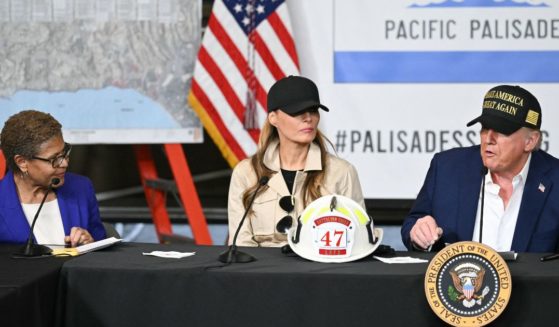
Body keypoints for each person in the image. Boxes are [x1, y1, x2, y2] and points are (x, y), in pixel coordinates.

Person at [401, 85, 559, 253]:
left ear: (530, 141)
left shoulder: (555, 180)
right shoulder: (447, 168)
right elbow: (414, 222)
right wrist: (418, 233)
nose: (488, 139)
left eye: (501, 131)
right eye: (484, 128)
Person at [228, 75, 365, 247]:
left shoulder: (342, 172)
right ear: (273, 118)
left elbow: (358, 238)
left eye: (313, 110)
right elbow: (241, 243)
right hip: (261, 271)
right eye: (297, 111)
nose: (308, 118)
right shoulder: (246, 172)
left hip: (320, 271)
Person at [0, 110, 106, 247]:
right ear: (22, 162)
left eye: (64, 152)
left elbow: (103, 248)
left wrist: (90, 243)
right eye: (54, 159)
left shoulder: (81, 188)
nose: (64, 163)